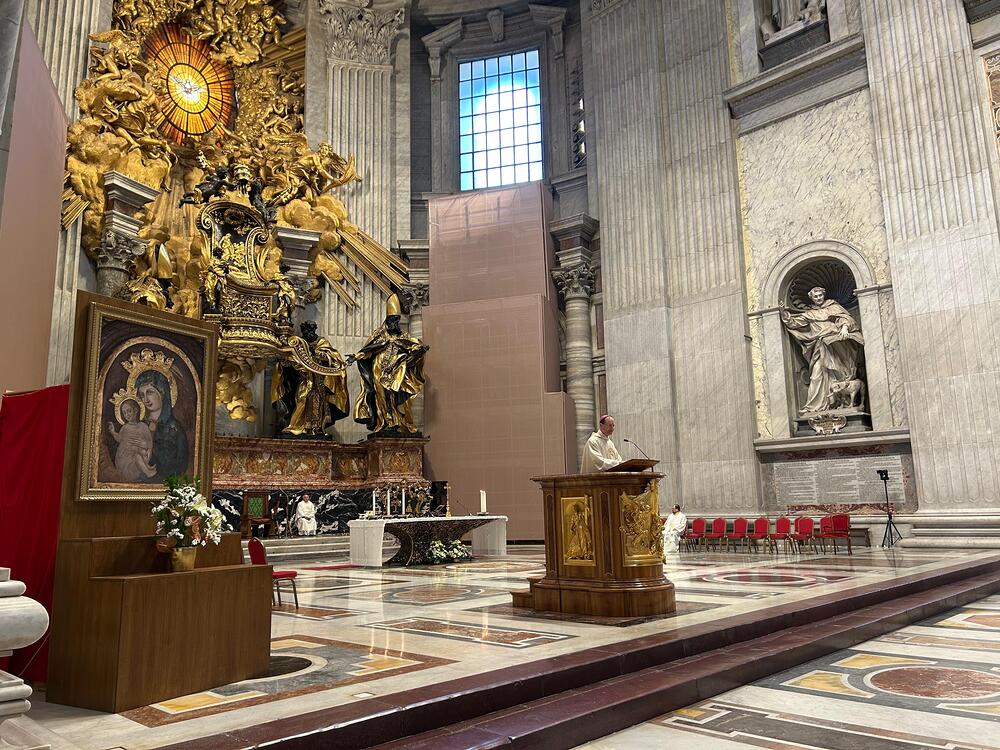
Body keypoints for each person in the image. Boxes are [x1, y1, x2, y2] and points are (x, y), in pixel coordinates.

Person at [779, 286, 865, 414]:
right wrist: (784, 313)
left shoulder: (833, 307)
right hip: (820, 347)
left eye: (820, 295)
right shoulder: (809, 313)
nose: (818, 298)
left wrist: (844, 327)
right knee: (816, 375)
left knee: (840, 375)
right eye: (816, 296)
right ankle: (814, 407)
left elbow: (845, 318)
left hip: (837, 346)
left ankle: (842, 403)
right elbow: (793, 323)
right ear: (811, 298)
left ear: (823, 295)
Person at [351, 294, 429, 434]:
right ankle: (384, 422)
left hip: (397, 371)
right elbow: (367, 351)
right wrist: (357, 356)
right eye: (392, 320)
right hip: (379, 370)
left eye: (396, 320)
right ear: (387, 321)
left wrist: (419, 351)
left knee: (395, 395)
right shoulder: (379, 336)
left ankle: (398, 422)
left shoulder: (404, 337)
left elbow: (414, 347)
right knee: (381, 396)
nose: (394, 323)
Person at [136, 369, 189, 480]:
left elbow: (181, 464)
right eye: (142, 395)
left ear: (162, 392)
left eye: (149, 392)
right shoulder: (140, 425)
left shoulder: (174, 428)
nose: (145, 399)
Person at [107, 397, 157, 481]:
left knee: (140, 454)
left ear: (136, 410)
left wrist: (144, 445)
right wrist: (113, 432)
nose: (127, 415)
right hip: (125, 460)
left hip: (140, 457)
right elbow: (119, 439)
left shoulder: (143, 426)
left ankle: (147, 468)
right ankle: (148, 471)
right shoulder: (125, 428)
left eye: (129, 411)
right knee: (137, 456)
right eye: (124, 413)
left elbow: (149, 443)